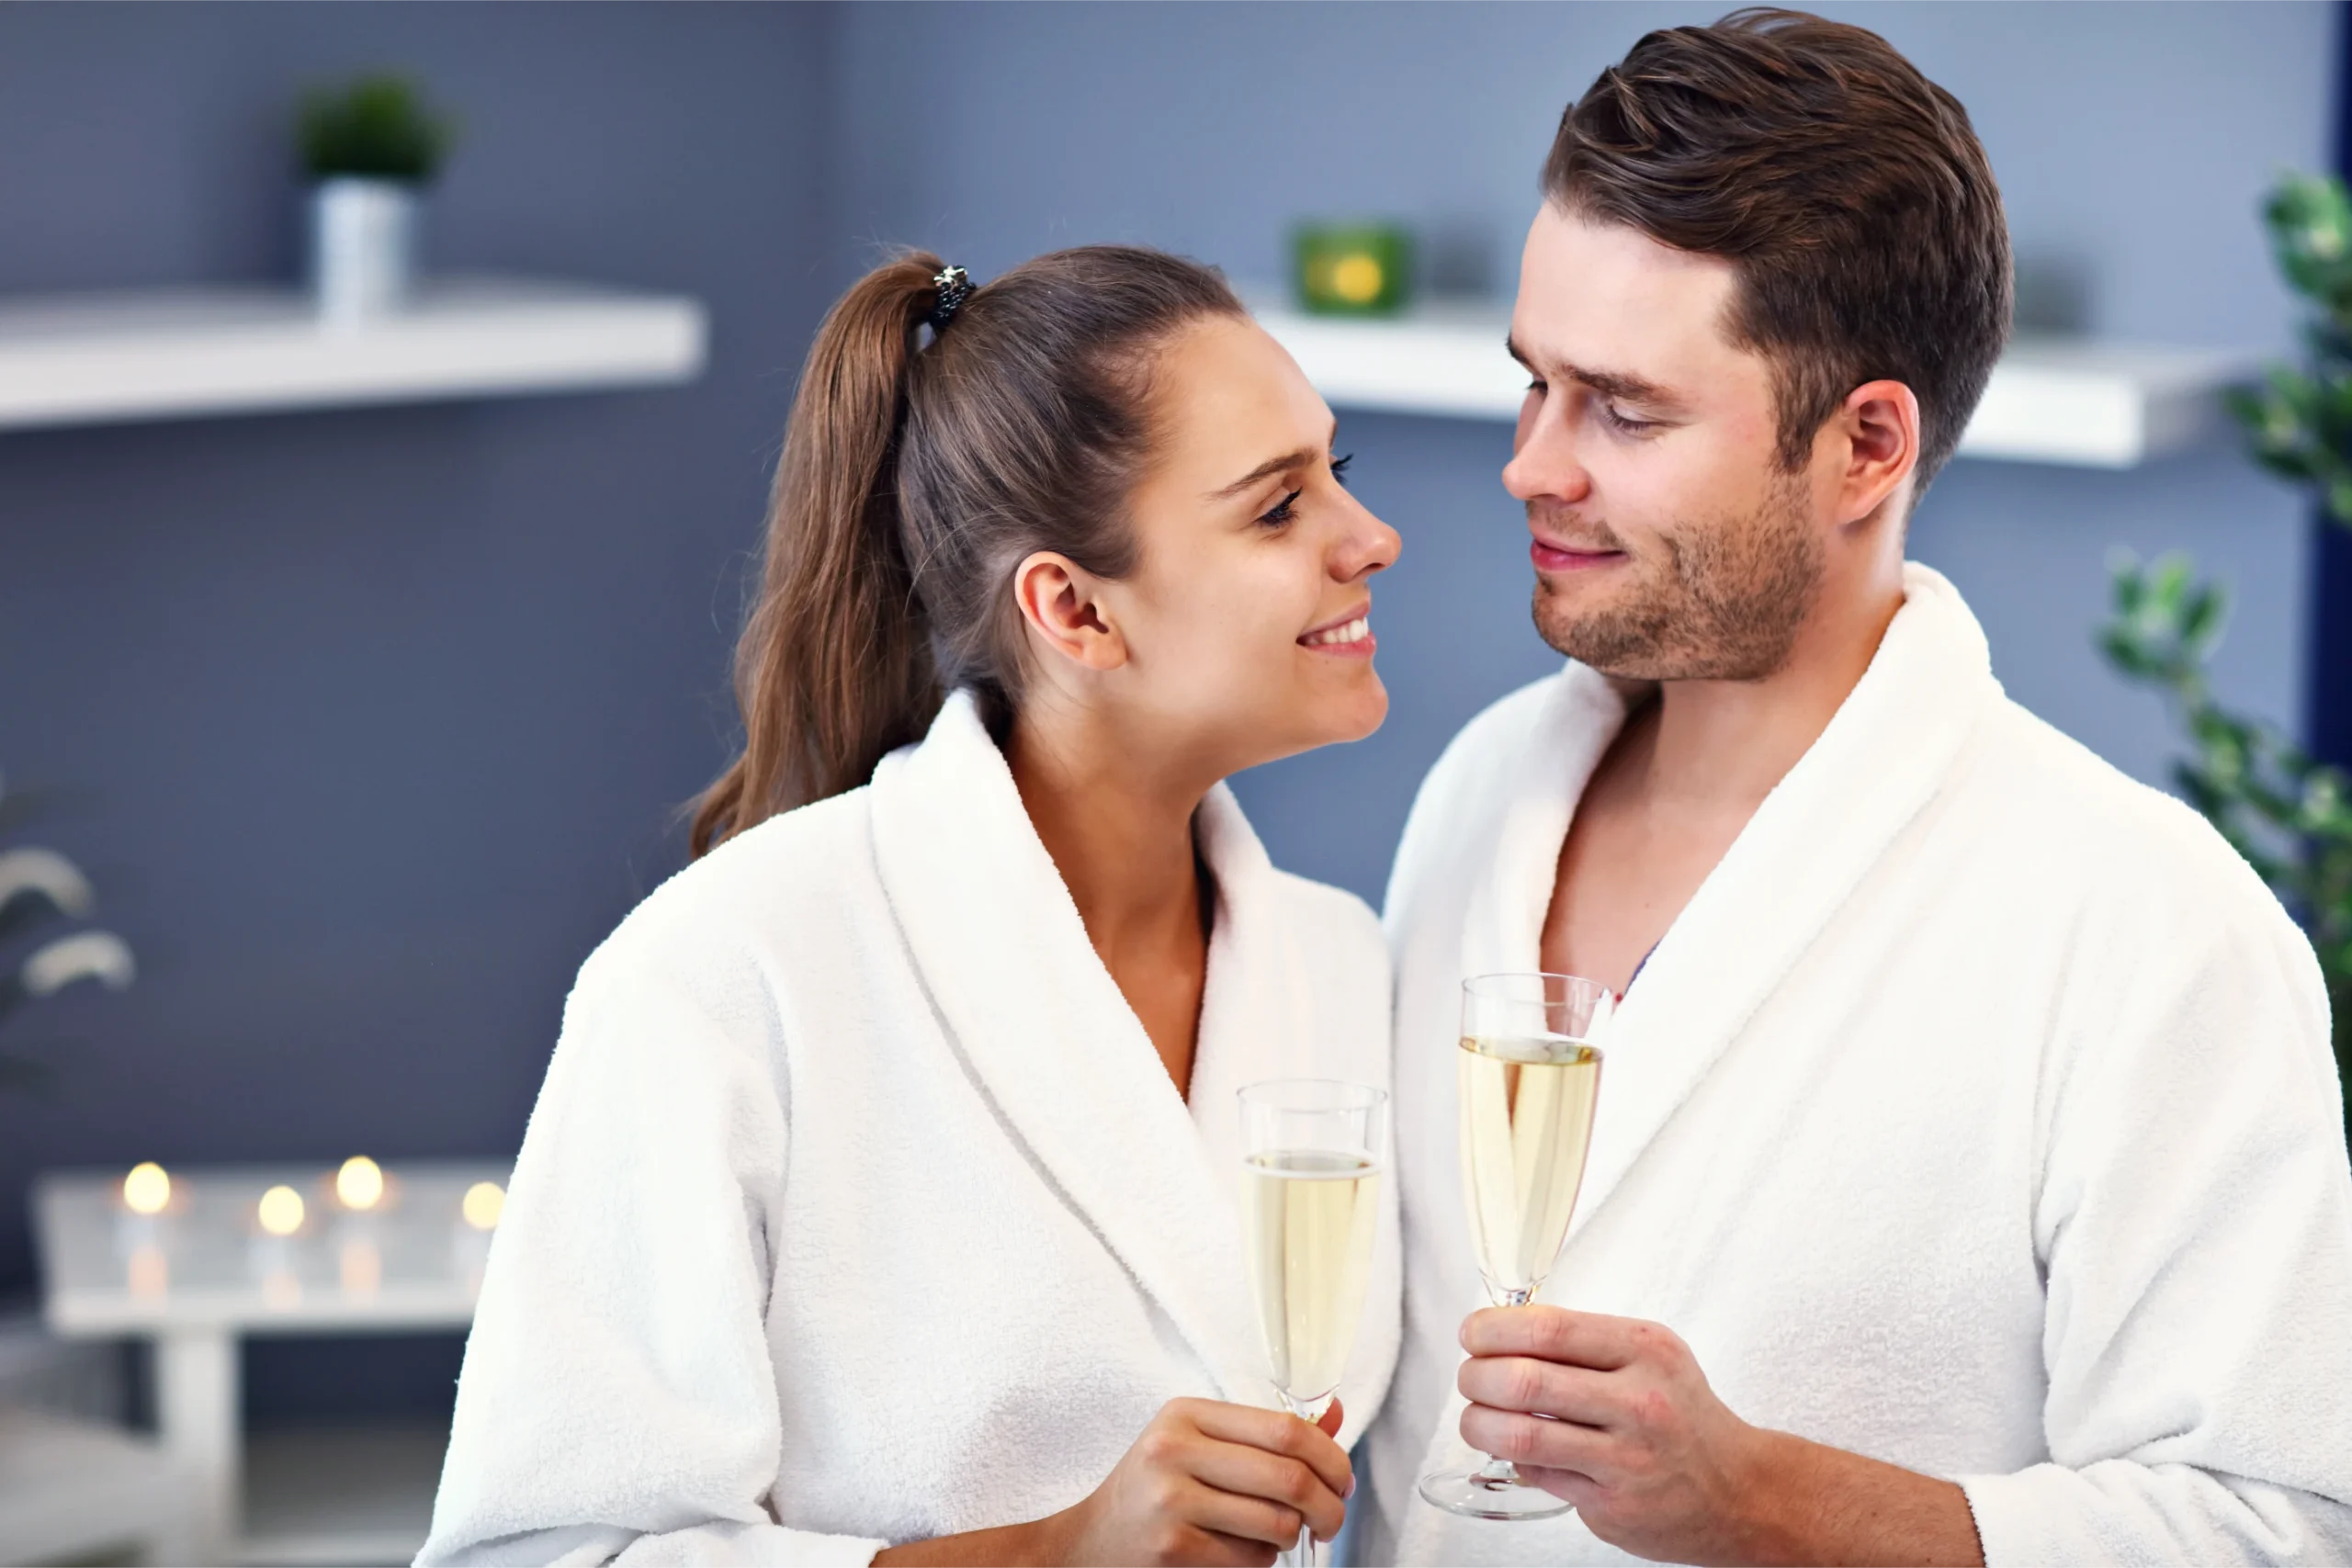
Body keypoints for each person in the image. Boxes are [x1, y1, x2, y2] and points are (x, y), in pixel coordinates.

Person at [1363, 11, 2352, 1567]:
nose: (1534, 465)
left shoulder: (2151, 927)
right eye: (1533, 384)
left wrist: (1763, 1503)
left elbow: (2272, 1522)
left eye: (1622, 409)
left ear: (1866, 445)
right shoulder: (1481, 794)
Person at [415, 245, 1405, 1568]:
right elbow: (535, 1555)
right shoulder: (725, 973)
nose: (1370, 537)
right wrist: (1051, 1552)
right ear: (1075, 608)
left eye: (1340, 471)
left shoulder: (1339, 964)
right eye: (1279, 508)